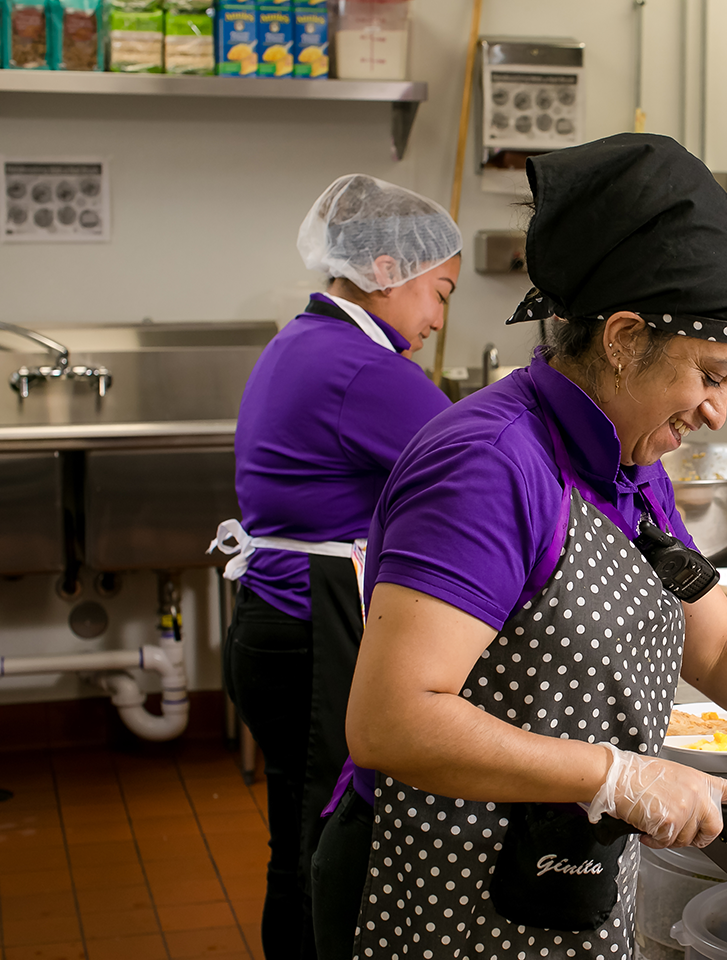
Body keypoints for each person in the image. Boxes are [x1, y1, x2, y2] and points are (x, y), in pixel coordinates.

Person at [318, 133, 727, 960]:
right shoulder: (488, 466)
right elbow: (392, 721)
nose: (719, 412)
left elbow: (717, 644)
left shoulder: (629, 456)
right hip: (437, 876)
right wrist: (614, 775)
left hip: (557, 872)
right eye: (711, 375)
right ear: (622, 339)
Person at [213, 174, 462, 960]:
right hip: (312, 630)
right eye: (441, 292)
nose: (438, 319)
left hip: (275, 623)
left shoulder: (309, 340)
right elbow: (484, 466)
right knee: (323, 846)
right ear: (387, 270)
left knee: (297, 837)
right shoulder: (364, 370)